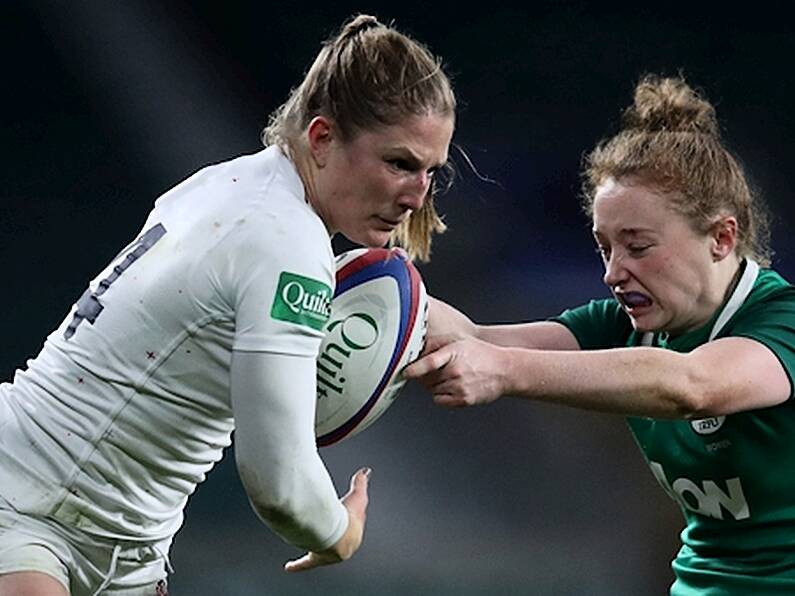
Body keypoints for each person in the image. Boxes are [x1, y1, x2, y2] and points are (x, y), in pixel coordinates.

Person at [0, 14, 455, 596]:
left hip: (125, 549)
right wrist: (339, 532)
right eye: (399, 163)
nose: (418, 195)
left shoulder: (230, 184)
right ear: (321, 138)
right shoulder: (287, 245)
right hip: (27, 515)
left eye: (430, 171)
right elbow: (278, 480)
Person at [405, 75, 795, 594]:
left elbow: (693, 386)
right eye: (604, 248)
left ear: (722, 238)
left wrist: (503, 372)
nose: (613, 272)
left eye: (637, 246)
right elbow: (477, 337)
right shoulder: (630, 324)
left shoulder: (780, 319)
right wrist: (379, 296)